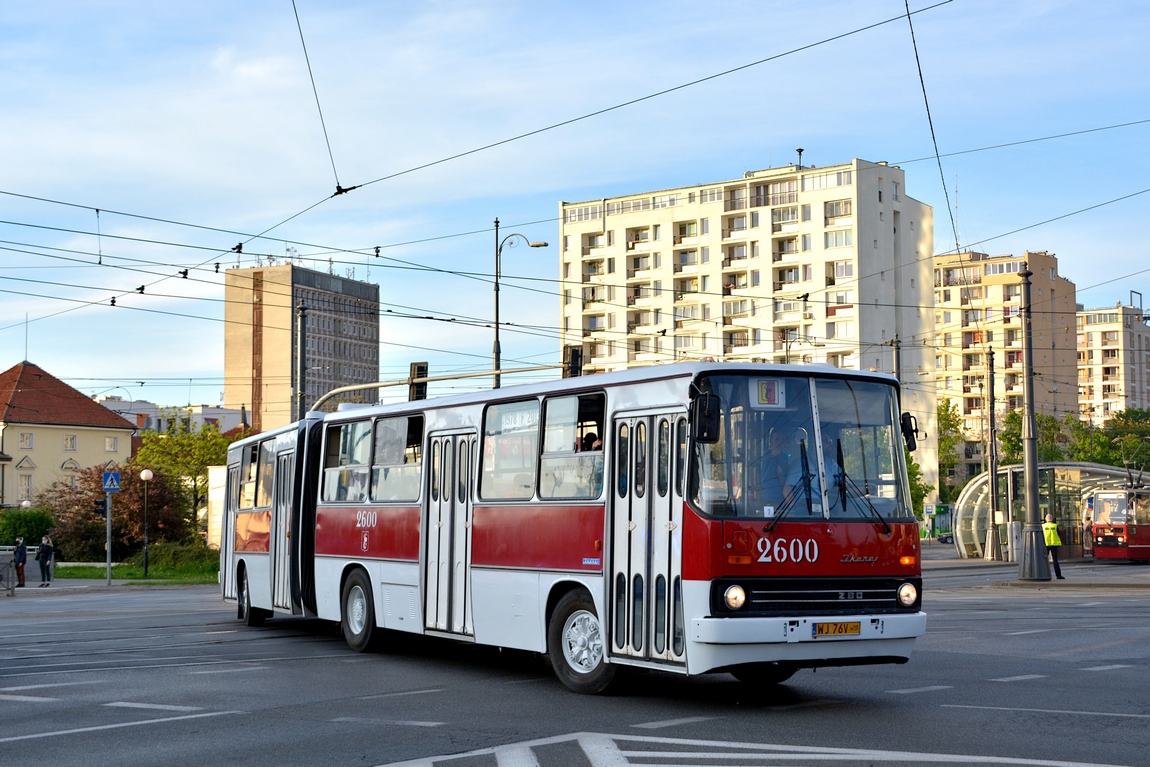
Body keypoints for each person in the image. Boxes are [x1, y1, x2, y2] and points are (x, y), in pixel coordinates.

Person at [759, 429, 800, 515]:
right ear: (770, 441)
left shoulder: (786, 457)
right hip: (768, 498)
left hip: (784, 500)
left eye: (783, 439)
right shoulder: (765, 456)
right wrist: (772, 455)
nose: (780, 442)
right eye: (777, 439)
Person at [1042, 514, 1065, 580]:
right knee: (1055, 560)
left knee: (1044, 560)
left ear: (1045, 519)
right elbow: (1058, 533)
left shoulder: (1043, 526)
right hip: (1054, 544)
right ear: (1051, 519)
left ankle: (1044, 574)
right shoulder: (1055, 526)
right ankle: (1058, 575)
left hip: (1046, 544)